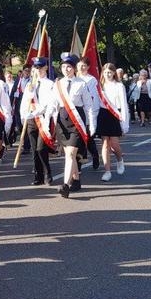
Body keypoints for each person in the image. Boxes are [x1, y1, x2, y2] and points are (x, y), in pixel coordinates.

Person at [45, 53, 97, 198]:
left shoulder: (81, 83)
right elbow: (52, 104)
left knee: (70, 154)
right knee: (70, 155)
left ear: (74, 68)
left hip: (76, 121)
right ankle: (76, 180)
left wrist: (92, 124)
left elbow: (89, 106)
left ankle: (65, 185)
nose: (66, 69)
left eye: (69, 66)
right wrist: (46, 120)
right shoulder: (58, 84)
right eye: (63, 66)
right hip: (62, 121)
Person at [20, 58, 55, 185]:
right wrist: (24, 116)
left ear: (46, 67)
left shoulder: (50, 84)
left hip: (43, 119)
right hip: (31, 120)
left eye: (40, 67)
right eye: (36, 67)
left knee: (41, 148)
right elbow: (25, 102)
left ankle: (47, 172)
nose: (38, 70)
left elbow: (50, 103)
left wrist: (38, 112)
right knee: (35, 149)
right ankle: (38, 175)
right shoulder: (30, 84)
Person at [97, 63, 129, 181]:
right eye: (105, 72)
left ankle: (120, 160)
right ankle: (107, 171)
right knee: (105, 144)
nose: (107, 74)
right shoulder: (100, 86)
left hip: (115, 115)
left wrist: (125, 124)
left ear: (114, 73)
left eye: (110, 72)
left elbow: (124, 105)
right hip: (103, 114)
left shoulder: (119, 86)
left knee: (114, 144)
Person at [76, 58, 102, 170]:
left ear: (88, 67)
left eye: (83, 66)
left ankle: (95, 155)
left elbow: (93, 98)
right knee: (78, 139)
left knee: (88, 138)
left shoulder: (92, 80)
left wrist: (93, 113)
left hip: (88, 112)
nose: (81, 68)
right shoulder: (74, 79)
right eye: (79, 65)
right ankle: (79, 163)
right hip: (77, 113)